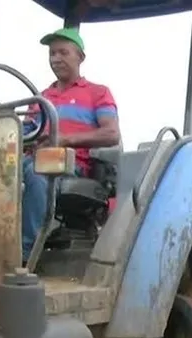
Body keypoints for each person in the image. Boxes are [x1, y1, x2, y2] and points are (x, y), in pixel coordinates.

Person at [22, 27, 121, 261]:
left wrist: (64, 139)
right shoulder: (41, 97)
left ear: (80, 57)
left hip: (71, 164)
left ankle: (25, 255)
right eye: (52, 53)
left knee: (37, 172)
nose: (56, 58)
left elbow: (111, 133)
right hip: (35, 158)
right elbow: (27, 130)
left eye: (63, 52)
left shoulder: (98, 93)